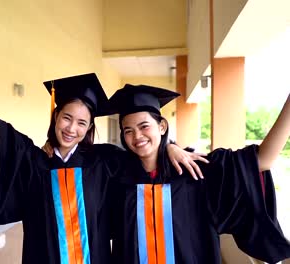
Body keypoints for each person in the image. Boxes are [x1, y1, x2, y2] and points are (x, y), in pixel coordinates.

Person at [0, 64, 204, 263]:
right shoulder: (35, 161)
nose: (72, 129)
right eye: (66, 118)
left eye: (82, 123)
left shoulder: (102, 161)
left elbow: (144, 151)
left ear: (89, 128)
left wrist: (171, 148)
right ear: (55, 117)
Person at [108, 84, 290, 263]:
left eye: (144, 126)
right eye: (128, 131)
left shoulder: (195, 173)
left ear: (162, 127)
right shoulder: (117, 177)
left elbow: (263, 160)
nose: (137, 136)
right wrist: (170, 145)